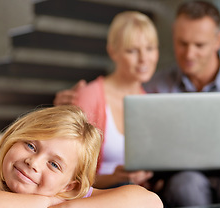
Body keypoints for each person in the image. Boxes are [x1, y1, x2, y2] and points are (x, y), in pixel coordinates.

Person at [54, 1, 220, 207]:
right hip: (179, 182)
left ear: (219, 40)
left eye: (199, 45)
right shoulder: (154, 86)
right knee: (184, 186)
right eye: (182, 43)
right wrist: (65, 108)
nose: (189, 54)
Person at [0, 105, 163, 208]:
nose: (33, 162)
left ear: (70, 185)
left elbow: (150, 203)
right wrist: (50, 201)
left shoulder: (67, 197)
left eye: (54, 164)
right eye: (30, 145)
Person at [69, 11, 160, 189]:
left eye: (150, 48)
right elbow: (71, 172)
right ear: (113, 51)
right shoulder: (90, 96)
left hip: (137, 195)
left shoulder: (150, 103)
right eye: (132, 50)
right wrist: (113, 178)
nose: (144, 59)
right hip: (97, 193)